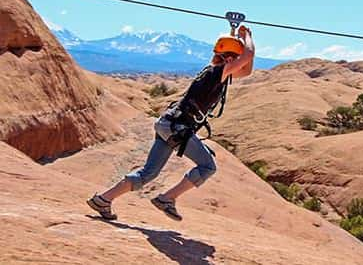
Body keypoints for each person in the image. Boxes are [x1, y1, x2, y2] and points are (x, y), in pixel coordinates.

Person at [87, 25, 255, 221]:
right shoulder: (217, 73)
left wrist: (238, 40)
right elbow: (248, 56)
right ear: (228, 59)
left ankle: (103, 200)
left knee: (148, 174)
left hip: (168, 123)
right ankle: (167, 198)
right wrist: (248, 37)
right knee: (208, 166)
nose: (239, 64)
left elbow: (247, 70)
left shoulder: (214, 72)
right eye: (236, 59)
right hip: (177, 127)